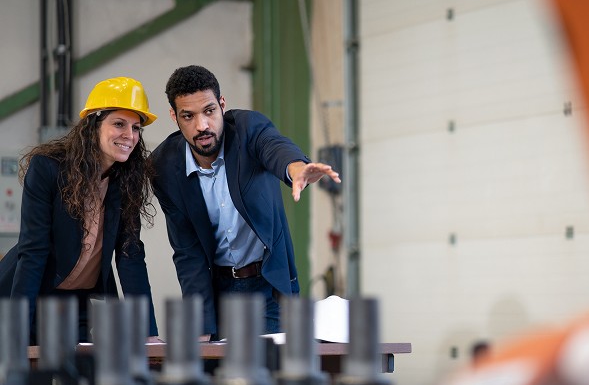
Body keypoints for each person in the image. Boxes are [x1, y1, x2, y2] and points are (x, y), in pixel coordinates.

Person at [150, 65, 340, 341]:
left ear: (222, 105)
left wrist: (296, 168)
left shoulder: (248, 129)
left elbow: (273, 147)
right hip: (217, 292)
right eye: (188, 116)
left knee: (272, 377)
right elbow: (187, 251)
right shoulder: (164, 166)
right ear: (174, 117)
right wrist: (202, 328)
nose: (202, 125)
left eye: (209, 111)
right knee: (220, 378)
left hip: (269, 286)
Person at [0, 77, 161, 344]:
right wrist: (17, 327)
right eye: (119, 124)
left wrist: (148, 333)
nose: (129, 135)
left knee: (76, 381)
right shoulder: (48, 168)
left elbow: (130, 255)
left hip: (78, 303)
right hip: (29, 295)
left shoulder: (126, 180)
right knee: (24, 382)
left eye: (135, 128)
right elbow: (34, 251)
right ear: (93, 126)